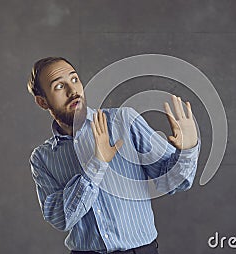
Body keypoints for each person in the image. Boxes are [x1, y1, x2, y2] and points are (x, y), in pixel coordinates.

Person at [27, 57, 201, 253]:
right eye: (59, 86)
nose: (72, 91)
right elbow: (61, 219)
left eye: (75, 80)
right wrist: (97, 164)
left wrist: (187, 150)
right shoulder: (42, 158)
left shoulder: (123, 121)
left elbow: (173, 183)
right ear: (42, 102)